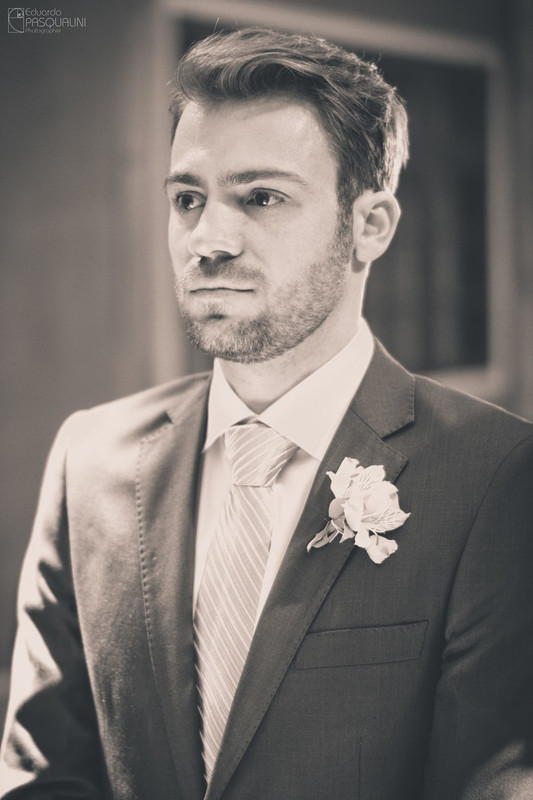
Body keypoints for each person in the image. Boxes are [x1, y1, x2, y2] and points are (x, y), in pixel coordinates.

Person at [1, 27, 532, 800]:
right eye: (189, 199)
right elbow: (43, 772)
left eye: (261, 197)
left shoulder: (495, 473)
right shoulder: (91, 458)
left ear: (369, 226)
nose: (207, 239)